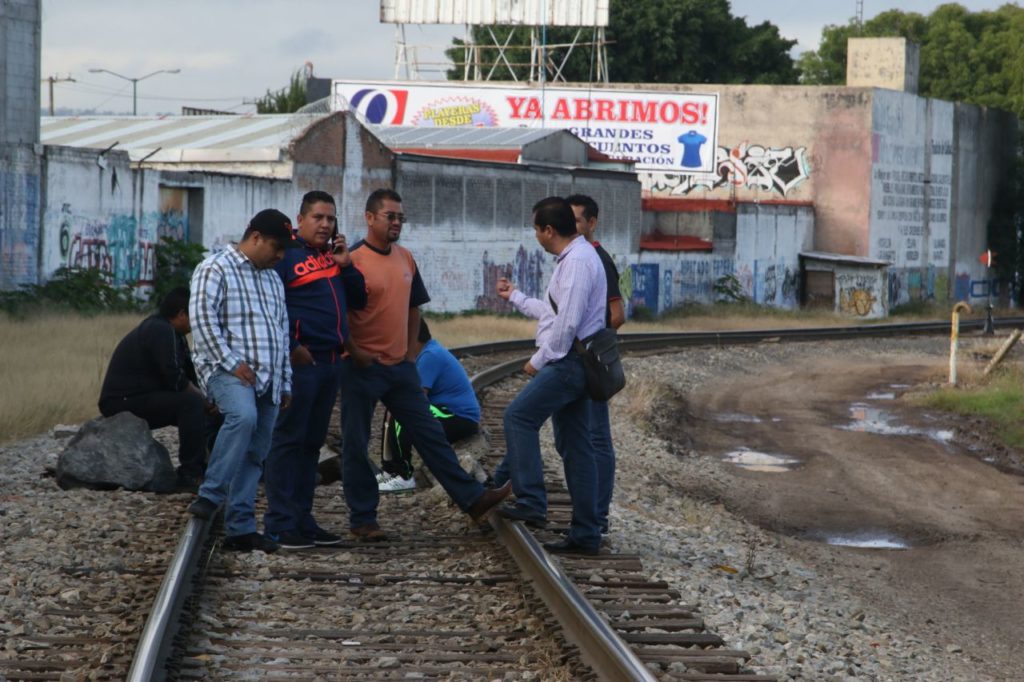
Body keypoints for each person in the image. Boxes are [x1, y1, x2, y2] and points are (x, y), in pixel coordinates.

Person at [339, 188, 511, 540]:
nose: (397, 223)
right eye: (391, 216)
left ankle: (473, 500)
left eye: (401, 217)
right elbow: (337, 313)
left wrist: (410, 356)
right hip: (361, 367)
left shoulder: (405, 258)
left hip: (400, 368)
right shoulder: (352, 259)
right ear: (370, 218)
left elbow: (414, 307)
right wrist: (354, 351)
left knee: (430, 434)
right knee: (356, 442)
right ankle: (363, 519)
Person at [493, 196, 607, 556]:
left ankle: (531, 500)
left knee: (518, 417)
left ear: (548, 230)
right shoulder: (576, 258)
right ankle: (587, 533)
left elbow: (567, 324)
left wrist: (539, 360)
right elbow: (553, 312)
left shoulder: (577, 263)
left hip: (569, 363)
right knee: (576, 448)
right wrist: (516, 297)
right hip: (578, 363)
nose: (536, 237)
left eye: (536, 229)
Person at [186, 209, 297, 554]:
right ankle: (210, 494)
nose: (280, 256)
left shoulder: (272, 279)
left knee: (255, 452)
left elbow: (281, 332)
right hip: (225, 370)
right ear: (255, 238)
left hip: (268, 378)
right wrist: (233, 364)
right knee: (242, 418)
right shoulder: (215, 268)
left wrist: (286, 380)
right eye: (276, 247)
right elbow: (202, 322)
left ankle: (241, 529)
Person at [262, 191, 367, 550]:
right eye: (319, 217)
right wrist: (292, 347)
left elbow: (359, 300)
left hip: (331, 361)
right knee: (288, 441)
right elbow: (269, 307)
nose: (325, 225)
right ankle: (279, 523)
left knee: (311, 445)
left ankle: (302, 519)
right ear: (301, 219)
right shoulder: (284, 256)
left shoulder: (331, 256)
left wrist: (346, 264)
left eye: (331, 219)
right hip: (301, 363)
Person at [98, 287, 215, 492]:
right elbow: (176, 380)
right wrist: (203, 401)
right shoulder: (161, 330)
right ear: (181, 314)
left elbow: (189, 376)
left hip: (138, 397)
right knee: (191, 403)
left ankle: (211, 467)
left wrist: (210, 401)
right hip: (120, 402)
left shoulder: (174, 334)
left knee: (201, 408)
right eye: (195, 315)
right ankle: (190, 473)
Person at [566, 194, 624, 536]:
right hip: (578, 360)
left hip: (590, 362)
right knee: (575, 434)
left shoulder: (598, 259)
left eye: (576, 220)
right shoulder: (577, 257)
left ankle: (597, 518)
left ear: (592, 223)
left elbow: (617, 316)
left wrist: (588, 344)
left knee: (597, 438)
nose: (571, 226)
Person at [378, 318, 481, 493]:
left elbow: (415, 399)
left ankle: (404, 477)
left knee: (401, 413)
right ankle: (390, 471)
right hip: (447, 413)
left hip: (458, 417)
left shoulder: (430, 355)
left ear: (412, 337)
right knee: (395, 410)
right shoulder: (426, 352)